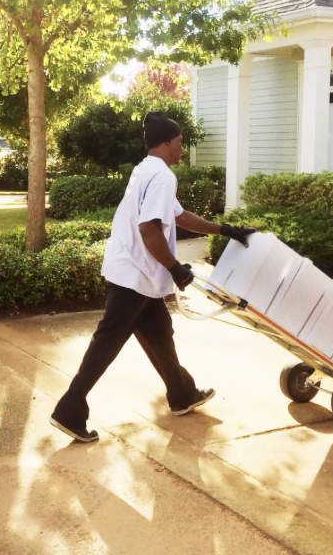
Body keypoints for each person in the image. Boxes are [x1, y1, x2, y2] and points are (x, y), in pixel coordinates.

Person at [50, 111, 256, 443]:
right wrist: (175, 268)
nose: (181, 148)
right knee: (107, 342)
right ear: (165, 143)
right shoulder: (161, 176)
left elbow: (179, 215)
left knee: (160, 331)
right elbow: (149, 229)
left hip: (135, 271)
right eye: (178, 142)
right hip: (135, 272)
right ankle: (69, 409)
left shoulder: (147, 169)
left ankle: (181, 393)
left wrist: (226, 229)